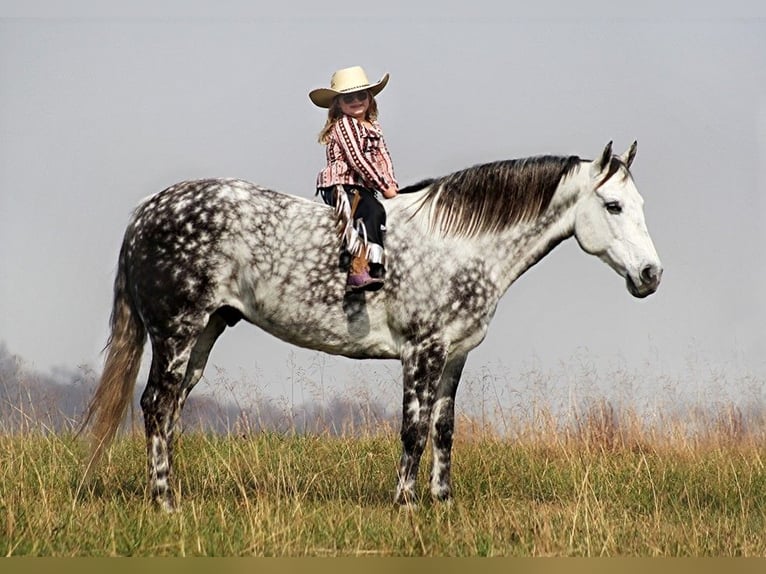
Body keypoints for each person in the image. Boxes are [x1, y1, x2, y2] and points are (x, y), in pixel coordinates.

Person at [309, 65, 399, 293]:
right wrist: (383, 186)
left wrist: (391, 185)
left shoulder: (373, 127)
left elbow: (383, 158)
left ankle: (378, 262)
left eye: (361, 95)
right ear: (338, 103)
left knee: (378, 211)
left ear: (369, 98)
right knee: (363, 211)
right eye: (349, 97)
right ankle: (356, 269)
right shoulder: (344, 125)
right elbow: (357, 159)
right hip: (342, 182)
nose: (356, 101)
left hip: (364, 185)